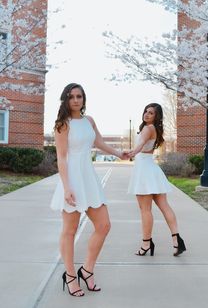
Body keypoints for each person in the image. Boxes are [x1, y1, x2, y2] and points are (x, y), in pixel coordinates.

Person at [50, 83, 128, 297]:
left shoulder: (89, 121)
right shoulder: (62, 125)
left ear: (84, 99)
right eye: (71, 96)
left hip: (89, 178)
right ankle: (71, 275)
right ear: (65, 100)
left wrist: (119, 153)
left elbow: (99, 142)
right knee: (70, 230)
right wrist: (67, 187)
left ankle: (87, 269)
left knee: (104, 225)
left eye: (79, 96)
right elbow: (62, 158)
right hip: (72, 180)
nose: (76, 100)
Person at [127, 103, 186, 257]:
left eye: (151, 113)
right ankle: (177, 241)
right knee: (165, 206)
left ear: (156, 116)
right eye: (146, 111)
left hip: (144, 172)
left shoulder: (148, 129)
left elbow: (140, 146)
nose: (146, 114)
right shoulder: (154, 129)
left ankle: (146, 244)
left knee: (145, 210)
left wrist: (130, 152)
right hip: (151, 170)